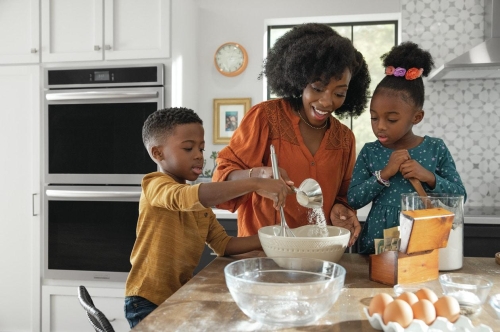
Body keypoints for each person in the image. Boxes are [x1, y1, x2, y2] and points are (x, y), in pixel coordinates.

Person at [124, 107, 290, 327]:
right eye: (188, 148)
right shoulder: (155, 185)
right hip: (146, 300)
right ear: (158, 153)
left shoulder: (199, 204)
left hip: (176, 298)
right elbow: (185, 197)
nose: (198, 155)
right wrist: (255, 182)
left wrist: (275, 238)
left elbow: (224, 244)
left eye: (201, 148)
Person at [212, 23, 371, 246]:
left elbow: (343, 196)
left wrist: (341, 208)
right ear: (299, 81)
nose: (327, 101)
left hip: (317, 254)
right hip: (261, 252)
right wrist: (258, 177)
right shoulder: (265, 117)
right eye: (317, 88)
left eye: (339, 93)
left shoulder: (344, 138)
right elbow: (221, 181)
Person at [347, 42, 467, 255]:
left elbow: (459, 196)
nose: (380, 126)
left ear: (417, 117)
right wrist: (383, 175)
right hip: (376, 245)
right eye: (374, 117)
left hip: (423, 242)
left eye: (391, 119)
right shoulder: (370, 151)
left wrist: (429, 177)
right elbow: (354, 199)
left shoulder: (435, 148)